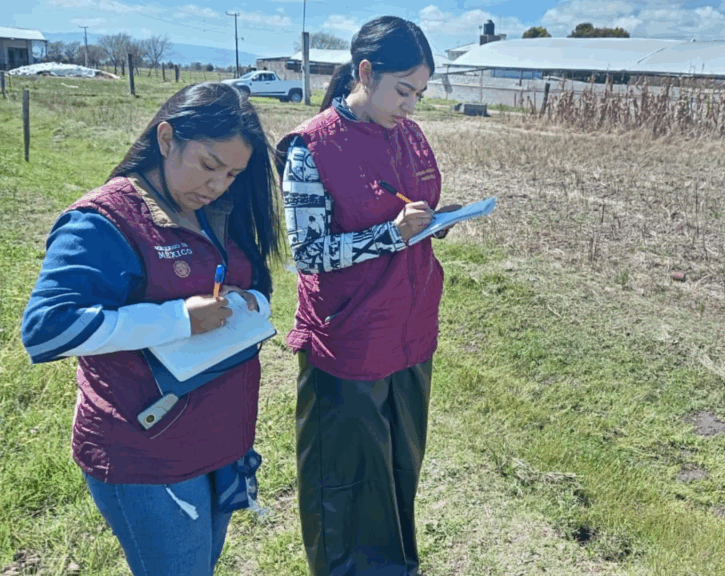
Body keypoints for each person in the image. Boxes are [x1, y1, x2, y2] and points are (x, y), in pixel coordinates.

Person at [20, 82, 280, 575]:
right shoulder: (105, 221)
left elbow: (247, 278)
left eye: (232, 173)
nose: (218, 184)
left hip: (217, 438)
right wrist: (178, 319)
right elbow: (45, 329)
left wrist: (252, 301)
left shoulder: (214, 209)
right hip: (147, 453)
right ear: (166, 138)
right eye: (208, 164)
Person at [276, 16, 460, 576]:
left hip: (410, 330)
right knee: (349, 477)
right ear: (364, 73)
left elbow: (414, 210)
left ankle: (398, 563)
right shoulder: (311, 148)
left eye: (420, 94)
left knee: (400, 464)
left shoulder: (411, 135)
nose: (412, 105)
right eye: (403, 90)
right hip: (348, 336)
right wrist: (390, 235)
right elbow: (307, 253)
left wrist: (435, 223)